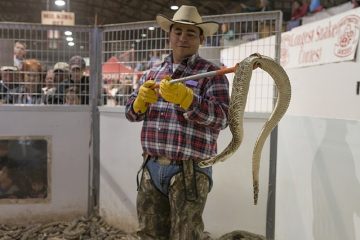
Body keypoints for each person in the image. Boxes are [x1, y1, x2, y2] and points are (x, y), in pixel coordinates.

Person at [125, 5, 230, 240]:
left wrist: (188, 99)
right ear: (169, 34)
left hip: (190, 172)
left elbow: (222, 119)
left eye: (190, 33)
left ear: (201, 38)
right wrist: (139, 102)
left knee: (186, 236)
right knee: (148, 235)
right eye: (178, 31)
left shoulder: (212, 74)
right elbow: (130, 115)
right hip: (151, 168)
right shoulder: (152, 73)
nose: (183, 38)